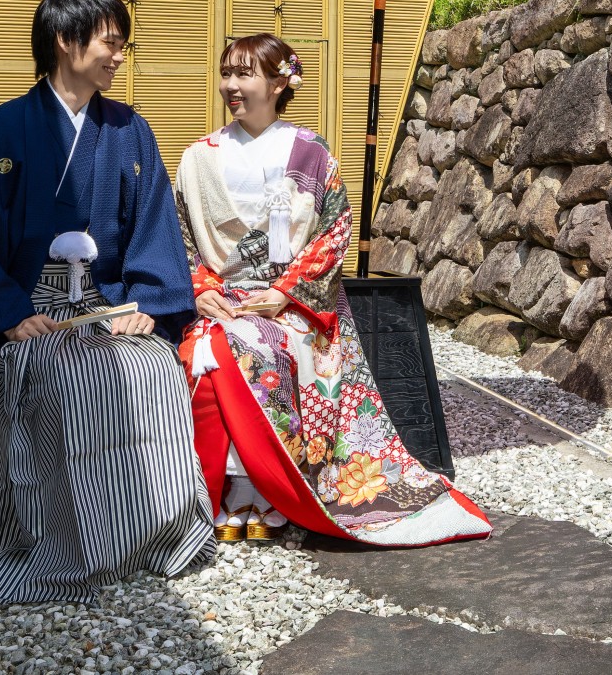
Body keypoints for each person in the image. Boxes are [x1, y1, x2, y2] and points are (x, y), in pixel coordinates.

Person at [0, 0, 214, 602]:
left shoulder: (129, 131)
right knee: (57, 378)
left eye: (122, 45)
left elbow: (153, 225)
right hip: (26, 312)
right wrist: (10, 315)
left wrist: (147, 305)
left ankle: (145, 530)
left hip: (105, 306)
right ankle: (52, 535)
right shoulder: (6, 128)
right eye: (110, 43)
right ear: (67, 43)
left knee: (150, 369)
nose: (119, 56)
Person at [175, 33, 489, 547]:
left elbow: (332, 232)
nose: (231, 85)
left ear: (279, 83)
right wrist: (202, 288)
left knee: (256, 345)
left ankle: (270, 492)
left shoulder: (311, 152)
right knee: (213, 348)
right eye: (226, 73)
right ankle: (231, 493)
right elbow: (181, 234)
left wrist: (286, 293)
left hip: (291, 301)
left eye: (244, 74)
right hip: (224, 297)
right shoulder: (199, 157)